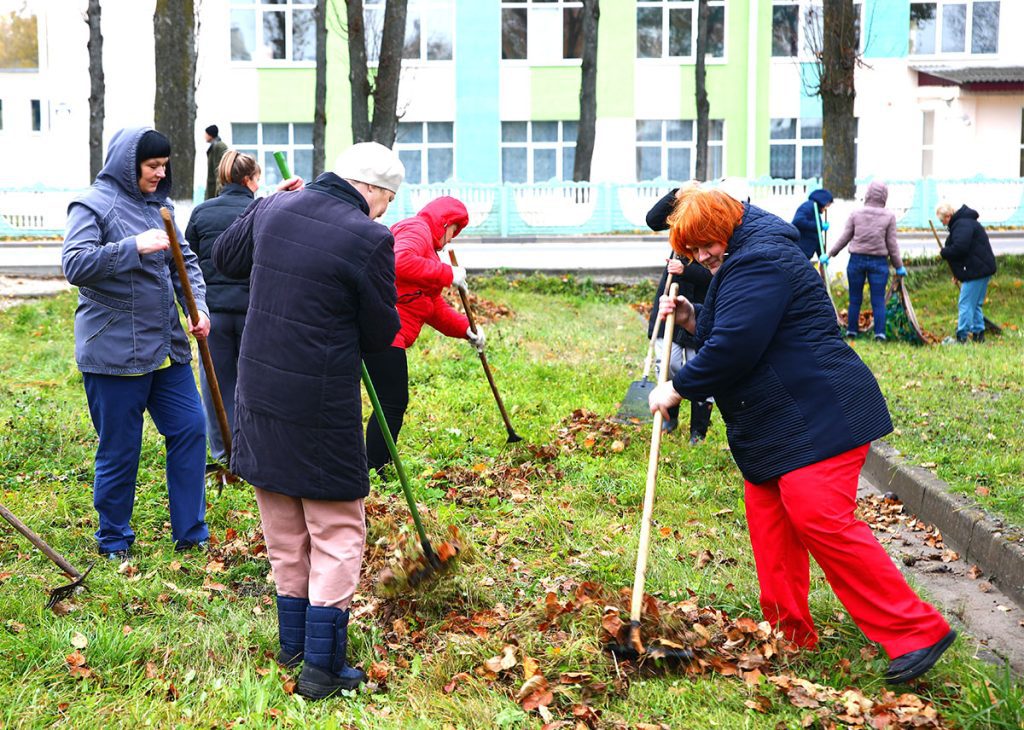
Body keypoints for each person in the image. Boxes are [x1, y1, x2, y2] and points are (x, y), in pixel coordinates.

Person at [648, 186, 956, 685]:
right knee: (771, 525)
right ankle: (787, 635)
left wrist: (678, 388)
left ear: (726, 224)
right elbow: (737, 323)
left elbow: (737, 345)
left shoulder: (760, 259)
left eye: (704, 246)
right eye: (691, 252)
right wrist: (691, 318)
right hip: (773, 422)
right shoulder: (745, 252)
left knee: (820, 519)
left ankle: (916, 631)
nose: (701, 258)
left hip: (818, 414)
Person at [213, 142, 404, 699]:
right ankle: (322, 669)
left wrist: (264, 202)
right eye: (388, 199)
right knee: (338, 529)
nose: (387, 211)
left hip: (259, 392)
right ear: (370, 188)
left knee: (284, 531)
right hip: (319, 405)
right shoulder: (370, 238)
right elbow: (378, 333)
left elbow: (225, 260)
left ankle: (293, 646)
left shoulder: (274, 206)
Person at [62, 127, 211, 561]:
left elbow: (187, 264)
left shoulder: (160, 205)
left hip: (166, 349)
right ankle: (114, 540)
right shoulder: (92, 205)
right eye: (152, 166)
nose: (160, 173)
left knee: (190, 428)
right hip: (113, 353)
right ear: (130, 164)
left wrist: (198, 308)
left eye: (164, 166)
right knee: (120, 449)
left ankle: (191, 534)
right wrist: (132, 247)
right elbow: (74, 263)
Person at [364, 196, 483, 474]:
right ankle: (374, 468)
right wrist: (446, 273)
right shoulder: (416, 230)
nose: (452, 239)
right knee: (391, 402)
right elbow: (399, 260)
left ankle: (374, 465)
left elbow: (431, 307)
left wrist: (466, 329)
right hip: (383, 330)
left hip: (388, 331)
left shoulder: (427, 248)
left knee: (389, 402)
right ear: (445, 222)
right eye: (455, 230)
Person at [184, 151, 261, 462]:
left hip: (211, 314)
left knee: (216, 384)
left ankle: (222, 454)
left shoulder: (202, 213)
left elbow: (187, 262)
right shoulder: (261, 210)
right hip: (252, 313)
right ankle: (252, 453)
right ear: (249, 180)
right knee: (253, 385)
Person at [645, 186, 714, 444]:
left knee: (699, 366)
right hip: (670, 302)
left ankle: (698, 431)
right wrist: (677, 192)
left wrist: (687, 271)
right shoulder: (679, 223)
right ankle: (670, 418)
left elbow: (715, 273)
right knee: (669, 363)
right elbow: (653, 220)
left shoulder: (712, 228)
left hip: (701, 308)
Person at [820, 181, 907, 341]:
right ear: (884, 196)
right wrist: (899, 266)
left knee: (855, 299)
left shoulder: (856, 214)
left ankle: (852, 331)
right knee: (878, 300)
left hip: (856, 260)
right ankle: (879, 333)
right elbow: (892, 244)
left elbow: (845, 237)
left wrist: (830, 254)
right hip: (879, 262)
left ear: (868, 194)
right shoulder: (889, 216)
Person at [936, 202, 997, 344]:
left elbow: (960, 249)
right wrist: (958, 273)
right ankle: (978, 334)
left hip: (976, 270)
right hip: (981, 268)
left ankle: (962, 336)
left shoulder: (962, 225)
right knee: (975, 304)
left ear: (948, 216)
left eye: (942, 220)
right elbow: (969, 252)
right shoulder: (966, 222)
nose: (942, 223)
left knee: (965, 304)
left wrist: (944, 253)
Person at [791, 188, 833, 260]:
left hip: (806, 254)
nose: (826, 208)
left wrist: (822, 255)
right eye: (827, 205)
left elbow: (817, 236)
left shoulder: (816, 211)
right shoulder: (808, 206)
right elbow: (797, 221)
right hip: (800, 252)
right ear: (823, 201)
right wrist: (820, 226)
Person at [204, 125, 228, 200]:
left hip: (216, 187)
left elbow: (219, 169)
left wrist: (219, 190)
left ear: (210, 134)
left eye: (206, 134)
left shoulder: (219, 146)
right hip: (213, 185)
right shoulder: (214, 146)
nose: (204, 136)